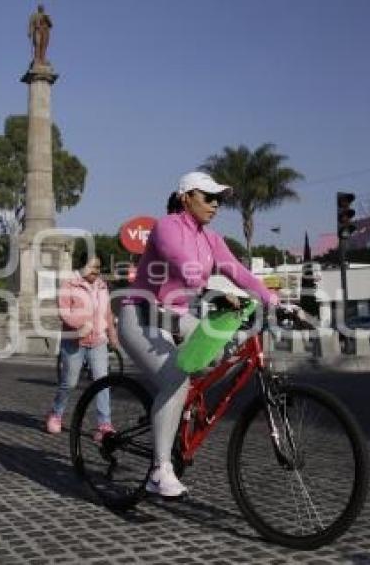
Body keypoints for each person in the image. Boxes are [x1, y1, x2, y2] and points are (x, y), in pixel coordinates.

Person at [119, 171, 280, 498]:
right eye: (208, 197)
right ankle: (159, 470)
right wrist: (216, 294)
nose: (215, 204)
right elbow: (185, 268)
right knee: (175, 380)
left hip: (178, 316)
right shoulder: (167, 227)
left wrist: (274, 301)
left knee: (226, 351)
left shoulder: (211, 238)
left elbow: (237, 271)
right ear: (185, 198)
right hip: (141, 316)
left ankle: (183, 404)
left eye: (219, 199)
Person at [45, 254, 119, 439]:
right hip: (74, 341)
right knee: (69, 383)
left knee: (102, 383)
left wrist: (112, 335)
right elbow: (64, 312)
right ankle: (56, 414)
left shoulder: (102, 286)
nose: (95, 271)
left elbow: (107, 313)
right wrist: (79, 325)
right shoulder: (69, 284)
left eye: (98, 267)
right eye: (92, 266)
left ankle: (104, 424)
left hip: (98, 341)